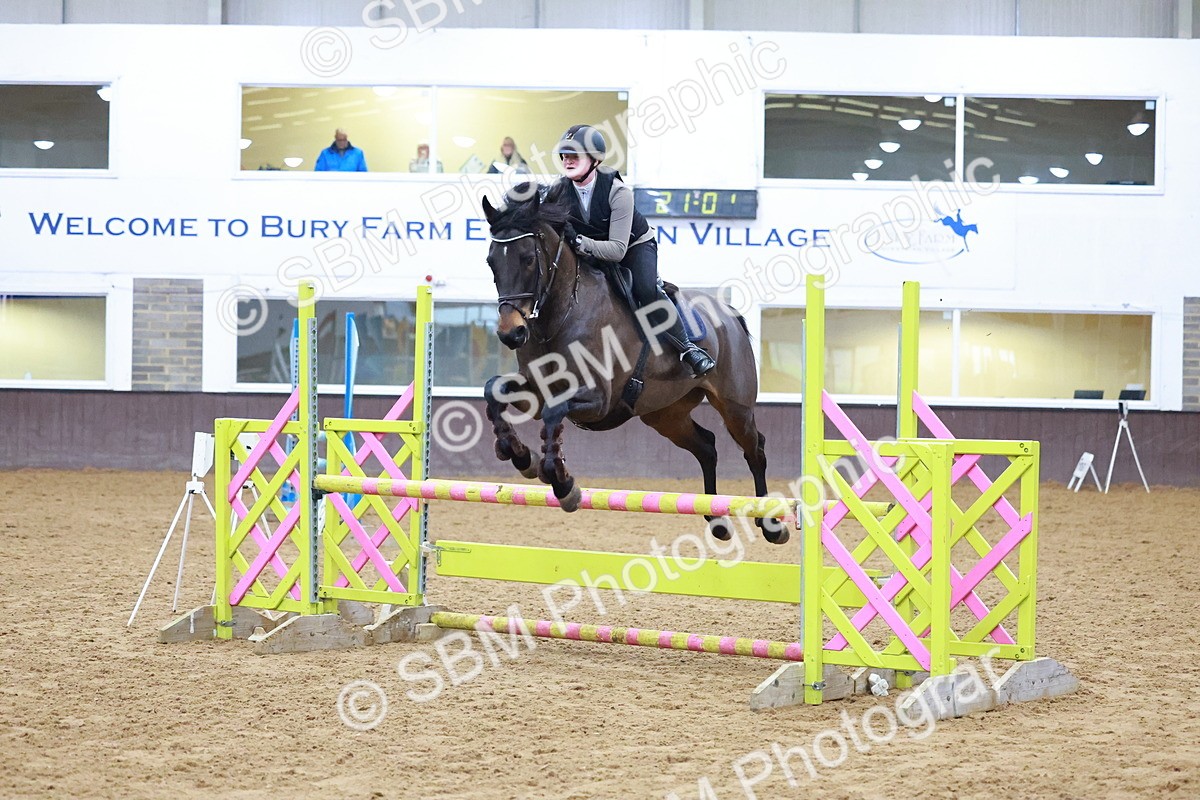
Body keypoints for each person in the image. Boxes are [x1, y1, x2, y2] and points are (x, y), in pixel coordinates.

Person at [555, 124, 715, 378]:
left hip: (633, 246)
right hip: (589, 249)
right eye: (565, 155)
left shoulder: (619, 192)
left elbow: (617, 250)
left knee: (645, 289)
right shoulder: (558, 191)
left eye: (575, 155)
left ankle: (688, 349)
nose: (567, 160)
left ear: (595, 159)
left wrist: (579, 243)